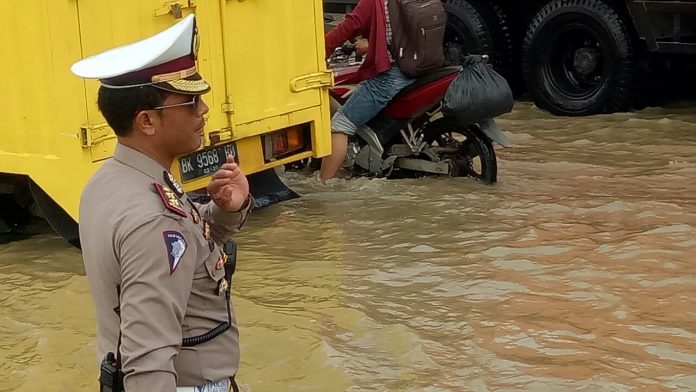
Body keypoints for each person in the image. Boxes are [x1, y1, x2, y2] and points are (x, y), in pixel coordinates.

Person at [72, 14, 251, 392]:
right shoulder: (154, 219)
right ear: (147, 122)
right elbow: (149, 360)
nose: (203, 110)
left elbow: (187, 246)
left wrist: (224, 211)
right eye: (190, 102)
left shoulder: (115, 180)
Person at [321, 0, 414, 181]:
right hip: (420, 69)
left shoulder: (375, 2)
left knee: (340, 125)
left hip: (392, 76)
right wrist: (372, 45)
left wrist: (317, 51)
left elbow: (347, 28)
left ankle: (324, 185)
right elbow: (400, 36)